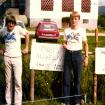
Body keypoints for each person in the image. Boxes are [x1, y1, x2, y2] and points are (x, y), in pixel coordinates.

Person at [0, 15, 29, 105]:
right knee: (8, 82)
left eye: (12, 23)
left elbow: (27, 34)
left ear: (14, 23)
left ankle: (17, 103)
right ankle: (8, 102)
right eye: (9, 23)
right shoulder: (3, 30)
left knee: (17, 81)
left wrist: (27, 47)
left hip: (17, 58)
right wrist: (0, 48)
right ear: (7, 23)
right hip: (7, 58)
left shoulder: (18, 28)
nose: (11, 25)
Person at [62, 11, 88, 105]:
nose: (74, 20)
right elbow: (64, 42)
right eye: (72, 18)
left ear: (78, 20)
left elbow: (86, 44)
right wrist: (64, 45)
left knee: (77, 79)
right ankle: (65, 101)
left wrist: (86, 57)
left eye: (76, 19)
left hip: (77, 55)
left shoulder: (82, 30)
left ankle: (76, 101)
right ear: (70, 19)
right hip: (68, 55)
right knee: (66, 79)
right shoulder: (66, 30)